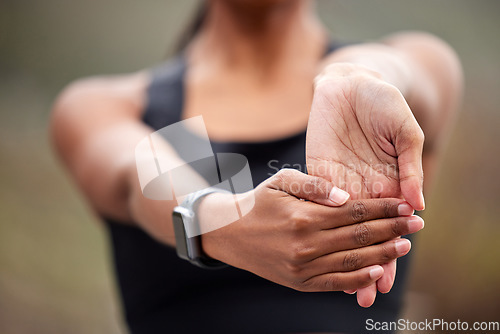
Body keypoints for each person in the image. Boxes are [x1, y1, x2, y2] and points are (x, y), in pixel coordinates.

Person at [50, 0, 462, 333]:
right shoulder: (120, 105)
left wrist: (353, 76)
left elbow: (399, 69)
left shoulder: (400, 69)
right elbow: (138, 169)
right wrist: (222, 222)